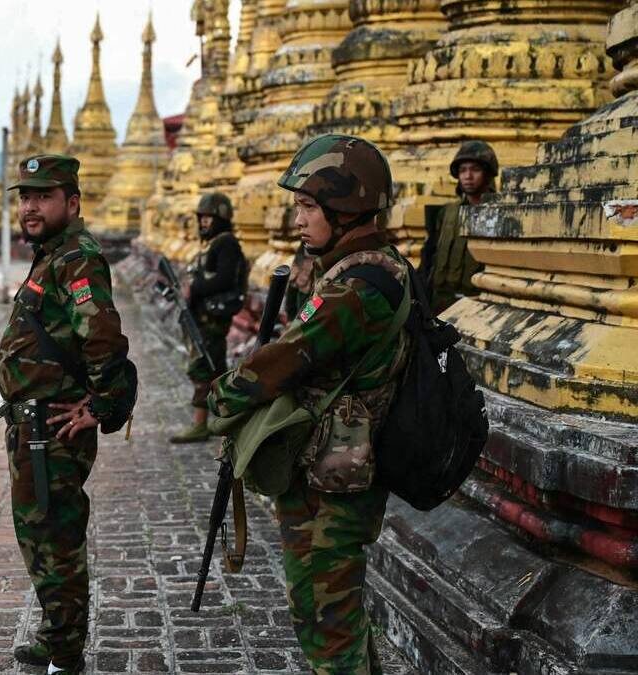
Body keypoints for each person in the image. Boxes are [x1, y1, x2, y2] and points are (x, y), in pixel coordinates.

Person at [208, 134, 412, 675]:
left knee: (326, 619)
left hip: (335, 487)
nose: (297, 220)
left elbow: (286, 357)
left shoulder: (361, 285)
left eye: (307, 206)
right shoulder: (354, 268)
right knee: (334, 615)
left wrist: (220, 395)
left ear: (343, 209)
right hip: (324, 470)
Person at [0, 153, 134, 675]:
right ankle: (55, 636)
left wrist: (102, 407)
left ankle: (65, 653)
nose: (31, 207)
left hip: (53, 429)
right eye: (25, 198)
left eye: (43, 197)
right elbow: (58, 335)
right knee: (39, 538)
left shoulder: (77, 258)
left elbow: (102, 339)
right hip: (31, 422)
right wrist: (3, 355)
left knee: (55, 540)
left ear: (72, 202)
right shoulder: (51, 254)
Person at [169, 192, 248, 443]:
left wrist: (195, 286)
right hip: (203, 318)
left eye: (209, 218)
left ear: (221, 218)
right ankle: (228, 419)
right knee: (214, 369)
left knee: (203, 368)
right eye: (201, 218)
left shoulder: (226, 243)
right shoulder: (213, 244)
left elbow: (225, 278)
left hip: (212, 319)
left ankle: (201, 424)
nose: (204, 222)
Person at [421, 140, 497, 313]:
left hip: (476, 305)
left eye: (475, 170)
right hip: (439, 303)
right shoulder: (447, 213)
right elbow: (430, 255)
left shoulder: (497, 213)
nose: (467, 176)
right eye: (462, 170)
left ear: (488, 174)